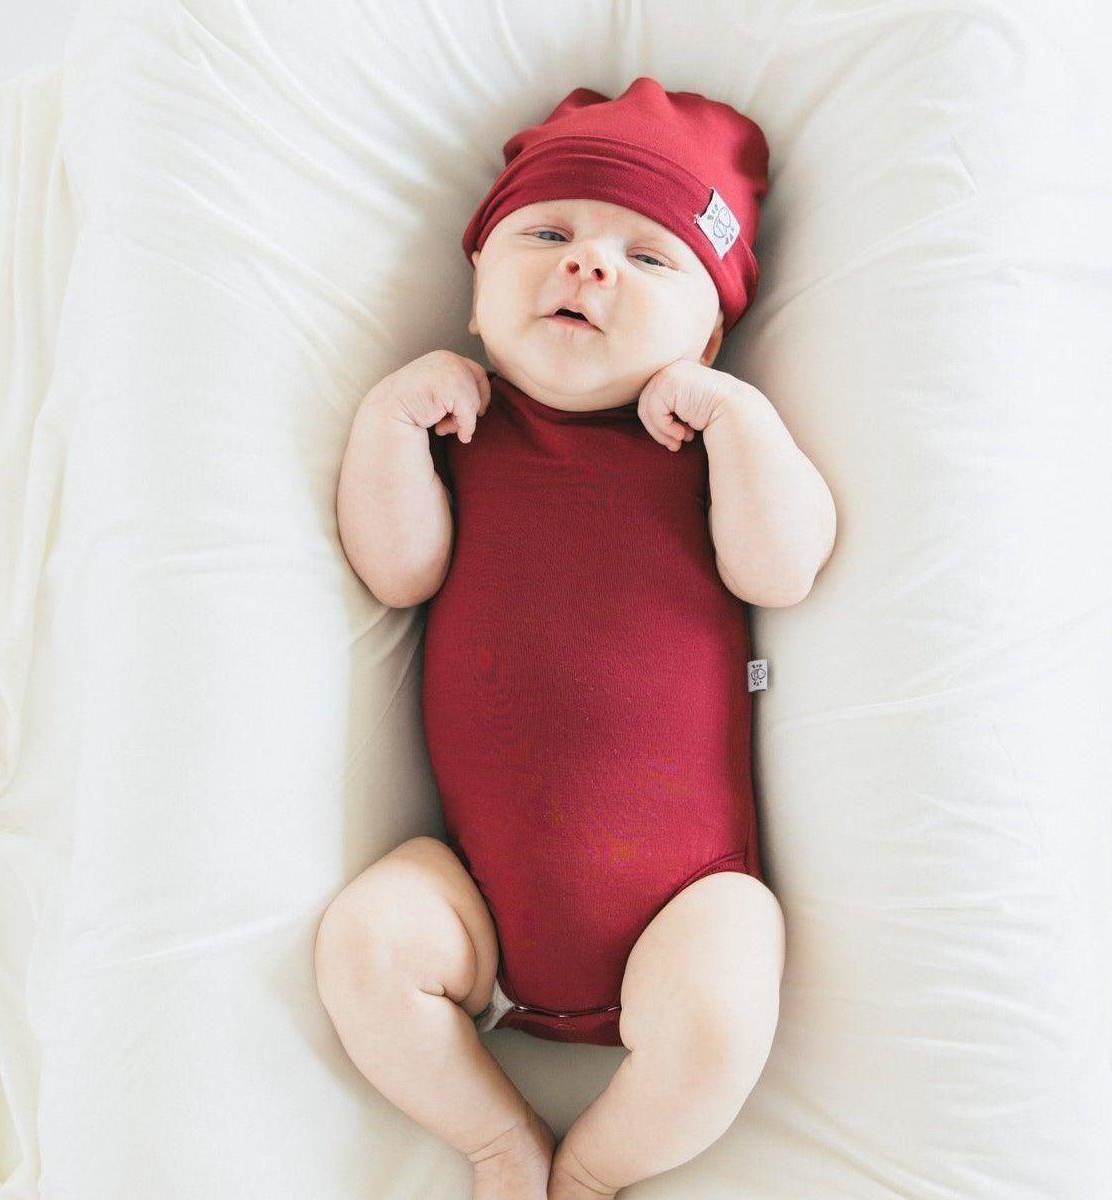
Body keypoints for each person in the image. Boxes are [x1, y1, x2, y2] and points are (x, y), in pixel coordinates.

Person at [316, 76, 837, 1200]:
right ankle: (497, 1140)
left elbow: (782, 570)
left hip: (682, 910)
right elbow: (398, 571)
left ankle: (593, 1170)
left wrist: (740, 419)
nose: (589, 265)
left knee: (722, 1005)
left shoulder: (700, 445)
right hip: (475, 909)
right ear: (474, 293)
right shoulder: (462, 430)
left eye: (648, 257)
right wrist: (389, 422)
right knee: (364, 943)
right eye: (547, 235)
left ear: (710, 334)